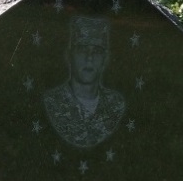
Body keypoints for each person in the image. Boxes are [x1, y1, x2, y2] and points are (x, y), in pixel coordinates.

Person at [43, 16, 126, 148]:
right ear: (70, 55)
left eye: (97, 51)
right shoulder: (53, 101)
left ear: (105, 59)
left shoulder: (116, 104)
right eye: (82, 49)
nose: (89, 58)